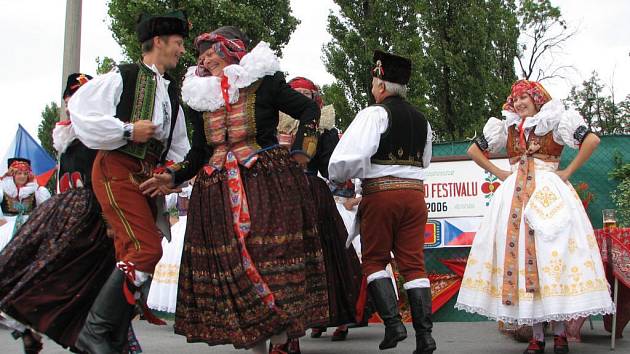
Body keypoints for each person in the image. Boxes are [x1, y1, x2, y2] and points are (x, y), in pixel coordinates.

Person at [140, 26, 328, 353]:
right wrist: (172, 176)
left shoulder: (264, 82)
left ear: (231, 50)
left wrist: (301, 151)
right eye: (202, 53)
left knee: (271, 258)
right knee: (233, 270)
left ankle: (283, 340)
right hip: (216, 193)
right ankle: (257, 344)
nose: (204, 58)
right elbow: (199, 152)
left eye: (211, 51)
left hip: (267, 186)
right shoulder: (200, 97)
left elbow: (309, 110)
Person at [455, 80, 615, 354]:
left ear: (538, 99)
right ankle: (537, 336)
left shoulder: (557, 121)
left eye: (523, 98)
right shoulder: (505, 127)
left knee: (552, 258)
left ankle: (561, 334)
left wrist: (566, 173)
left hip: (549, 196)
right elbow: (473, 150)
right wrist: (501, 173)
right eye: (515, 100)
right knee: (522, 263)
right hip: (514, 197)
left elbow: (592, 140)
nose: (518, 104)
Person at [68, 10, 191, 353]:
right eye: (178, 43)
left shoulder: (170, 93)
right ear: (158, 42)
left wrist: (170, 174)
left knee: (131, 251)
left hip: (144, 177)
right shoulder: (124, 76)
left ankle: (115, 337)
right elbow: (81, 111)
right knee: (145, 248)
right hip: (116, 169)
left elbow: (180, 145)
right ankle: (94, 331)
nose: (182, 51)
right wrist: (125, 130)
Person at [329, 50, 436, 354]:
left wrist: (338, 178)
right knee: (414, 265)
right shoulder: (422, 120)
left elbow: (345, 160)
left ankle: (393, 325)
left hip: (382, 194)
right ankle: (425, 337)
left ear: (380, 85)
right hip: (415, 196)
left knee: (374, 260)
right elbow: (425, 161)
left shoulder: (374, 114)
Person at [274, 77, 365, 354]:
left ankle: (339, 318)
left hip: (312, 192)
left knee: (327, 254)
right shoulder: (274, 124)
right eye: (295, 94)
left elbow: (329, 167)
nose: (301, 98)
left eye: (306, 94)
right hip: (278, 193)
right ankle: (301, 322)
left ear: (315, 98)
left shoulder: (324, 128)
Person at [147, 184, 192, 313]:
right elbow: (169, 210)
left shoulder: (190, 189)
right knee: (175, 264)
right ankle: (177, 305)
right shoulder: (176, 193)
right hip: (180, 228)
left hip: (188, 227)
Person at [0, 158, 51, 250]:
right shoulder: (3, 190)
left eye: (25, 174)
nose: (22, 176)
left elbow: (46, 209)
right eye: (19, 173)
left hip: (30, 228)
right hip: (6, 229)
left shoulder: (37, 191)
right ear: (13, 174)